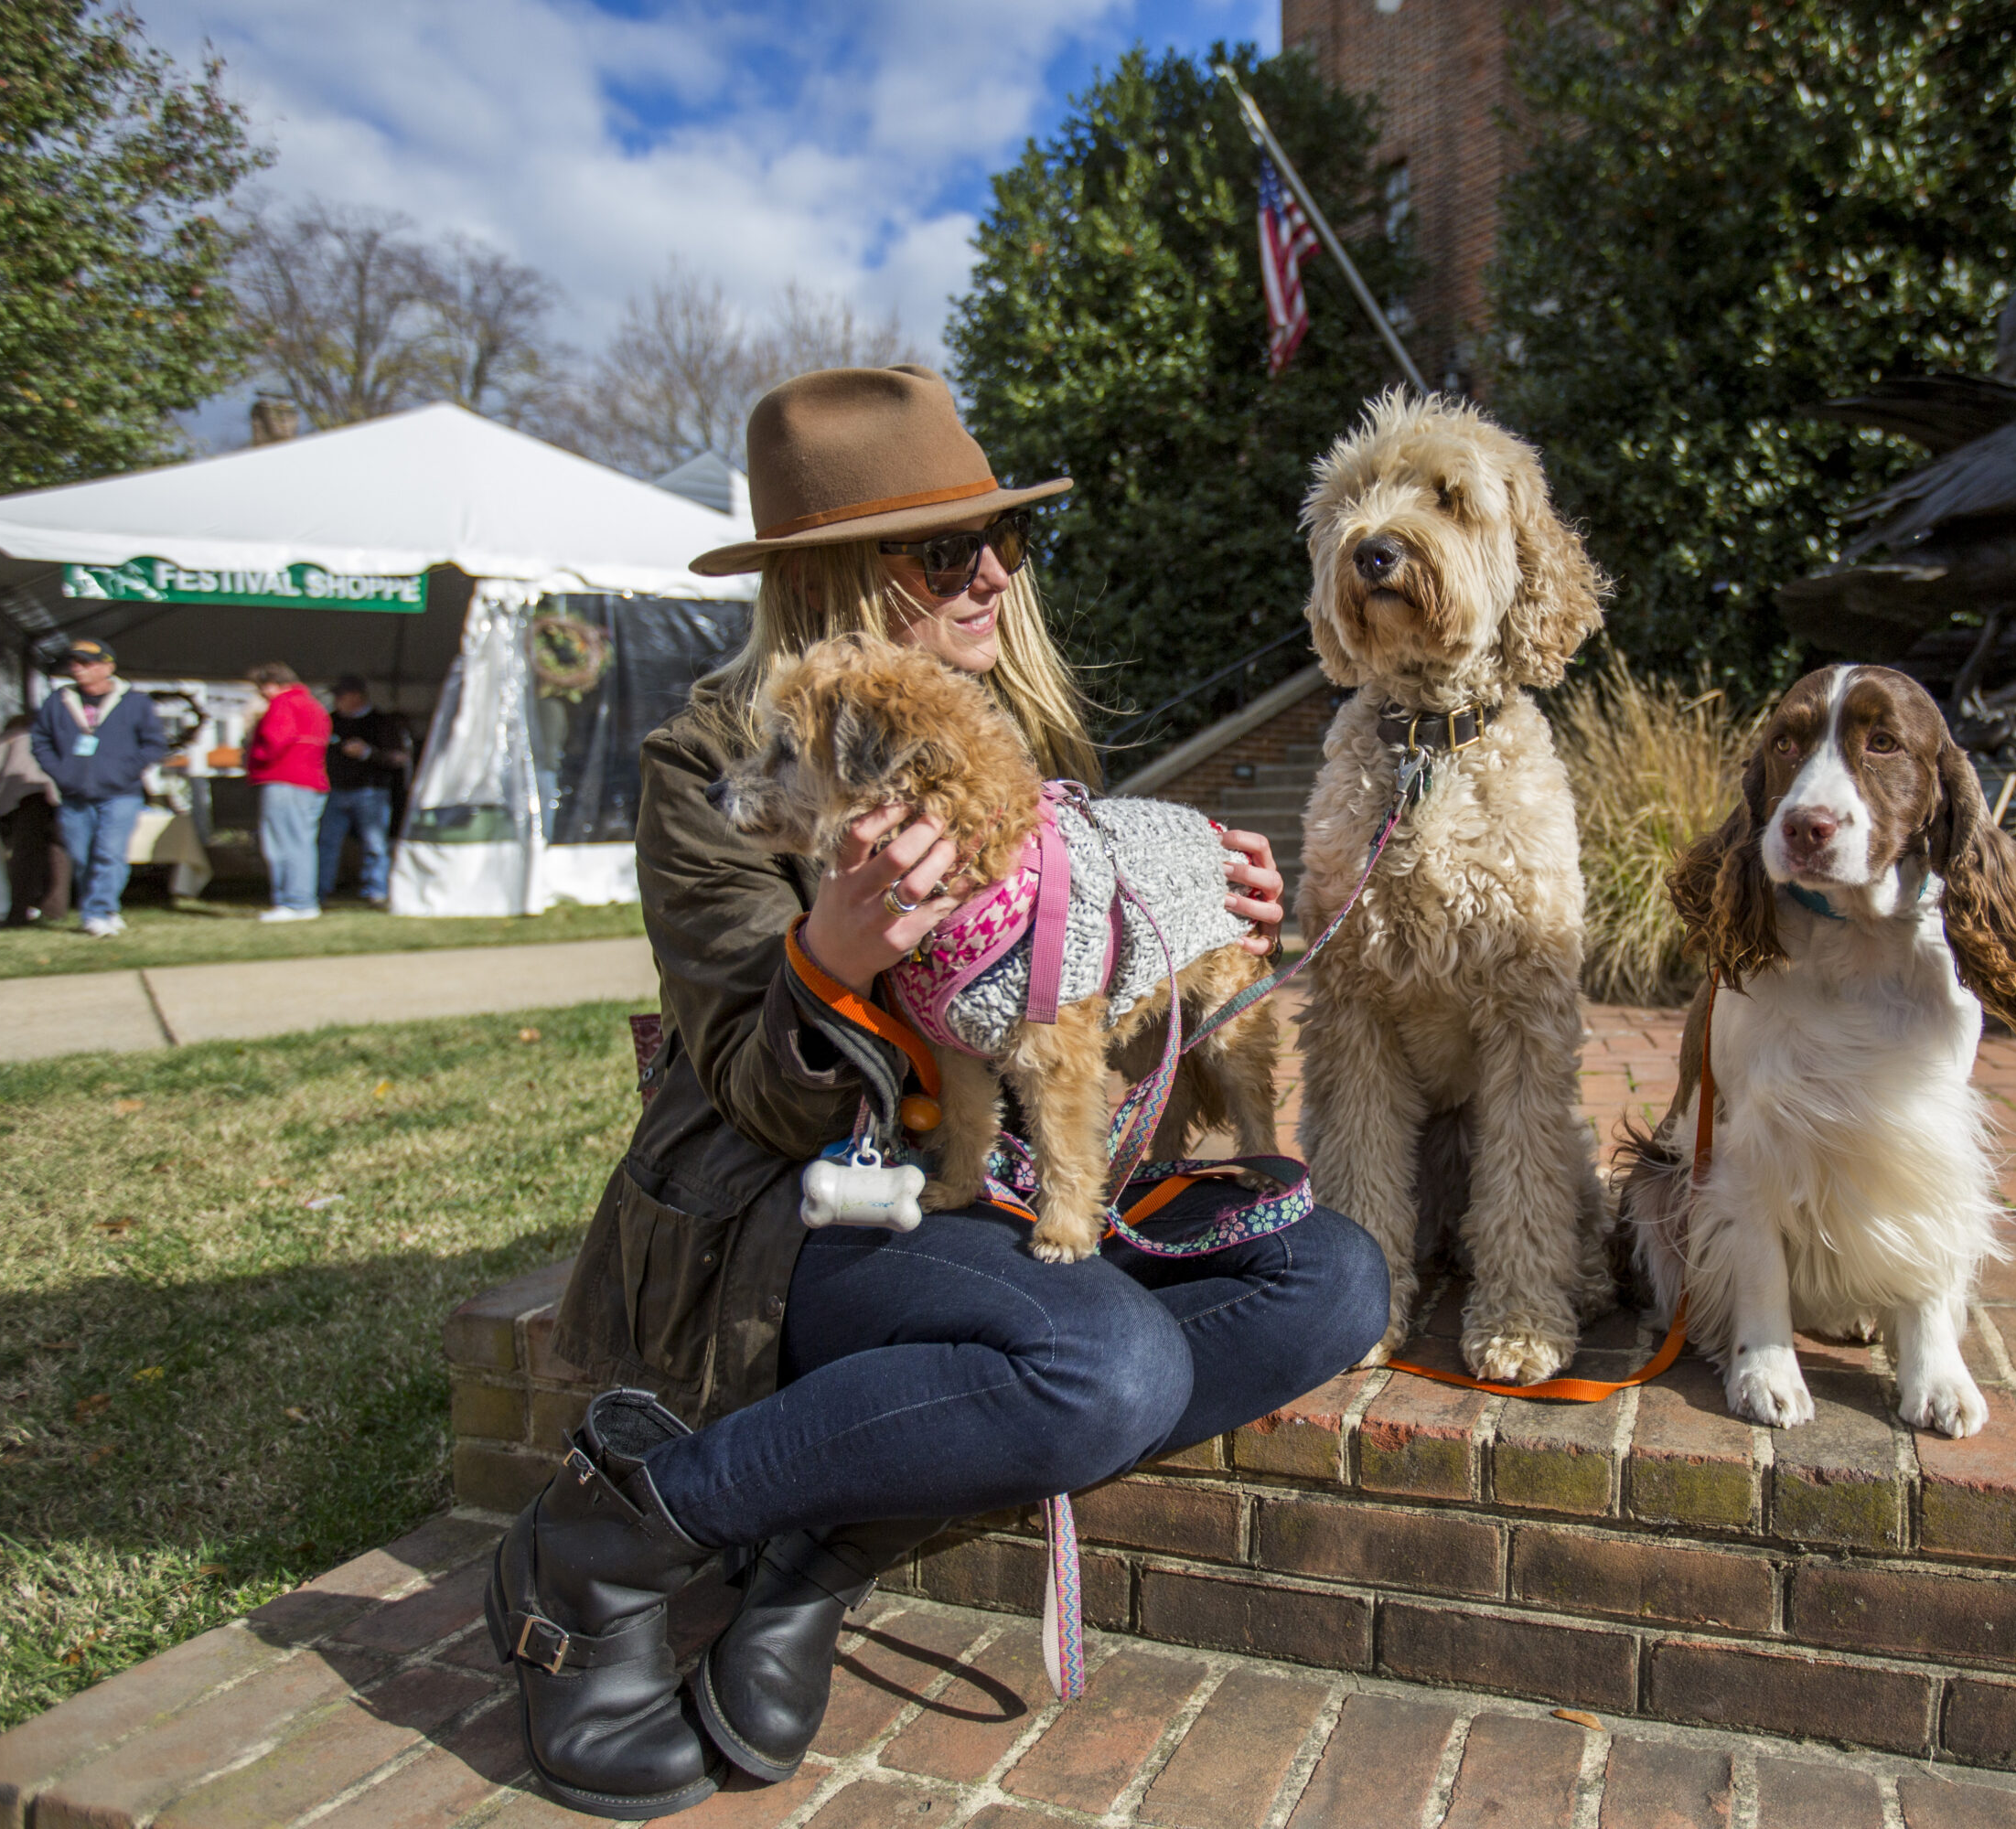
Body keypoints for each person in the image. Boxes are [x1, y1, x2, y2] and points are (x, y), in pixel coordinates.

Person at [488, 367, 1391, 1821]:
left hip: (991, 1192)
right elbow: (746, 1089)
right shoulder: (709, 764)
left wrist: (1180, 949)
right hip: (808, 1213)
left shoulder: (1011, 746)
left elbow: (1074, 1057)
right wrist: (831, 958)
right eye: (941, 551)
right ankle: (609, 1542)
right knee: (1107, 1368)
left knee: (1339, 1277)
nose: (990, 574)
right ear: (834, 574)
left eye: (1004, 543)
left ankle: (817, 1550)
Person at [29, 638, 166, 937]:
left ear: (108, 667)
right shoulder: (59, 700)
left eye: (86, 663)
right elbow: (40, 741)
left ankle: (97, 912)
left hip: (121, 794)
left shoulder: (134, 702)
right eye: (74, 663)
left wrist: (124, 772)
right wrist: (61, 772)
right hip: (74, 793)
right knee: (82, 856)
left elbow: (155, 744)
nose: (78, 669)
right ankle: (105, 908)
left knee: (110, 853)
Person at [244, 662, 330, 922]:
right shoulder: (315, 706)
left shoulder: (283, 704)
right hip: (312, 781)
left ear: (270, 685)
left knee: (281, 844)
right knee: (302, 843)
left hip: (285, 779)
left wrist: (253, 755)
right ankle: (303, 900)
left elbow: (274, 741)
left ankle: (293, 901)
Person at [317, 675, 413, 906]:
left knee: (375, 844)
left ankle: (376, 890)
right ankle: (321, 889)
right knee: (327, 843)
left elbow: (398, 759)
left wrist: (368, 753)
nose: (338, 700)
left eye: (342, 696)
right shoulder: (330, 721)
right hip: (335, 791)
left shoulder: (381, 722)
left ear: (357, 697)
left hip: (371, 792)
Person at [0, 711, 70, 924]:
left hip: (23, 799)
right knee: (58, 852)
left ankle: (18, 910)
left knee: (25, 857)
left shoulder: (8, 739)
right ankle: (55, 908)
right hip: (57, 796)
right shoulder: (56, 735)